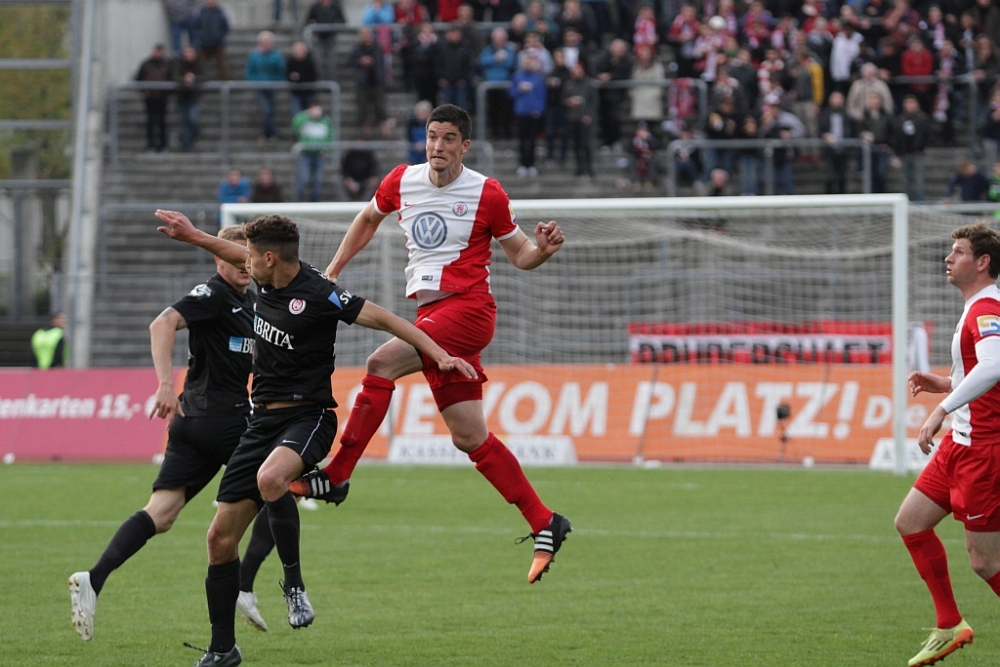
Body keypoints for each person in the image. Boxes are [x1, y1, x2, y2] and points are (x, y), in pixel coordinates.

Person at [153, 209, 476, 666]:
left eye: (250, 255)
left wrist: (438, 354)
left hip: (308, 418)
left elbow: (388, 320)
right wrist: (193, 236)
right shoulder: (263, 274)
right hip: (260, 423)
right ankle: (222, 649)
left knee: (271, 479)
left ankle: (294, 586)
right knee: (219, 540)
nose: (244, 262)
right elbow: (227, 249)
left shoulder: (321, 293)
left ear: (269, 257)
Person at [289, 104, 573, 585]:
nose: (438, 146)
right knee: (469, 437)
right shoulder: (402, 180)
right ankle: (545, 521)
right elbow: (367, 219)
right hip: (431, 316)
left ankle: (337, 474)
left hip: (468, 311)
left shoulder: (487, 192)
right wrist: (333, 269)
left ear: (465, 146)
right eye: (432, 137)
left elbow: (521, 254)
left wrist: (542, 250)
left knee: (381, 362)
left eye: (448, 139)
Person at [68, 225, 268, 640]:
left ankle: (93, 579)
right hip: (222, 419)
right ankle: (244, 585)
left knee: (161, 514)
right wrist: (163, 384)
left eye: (247, 256)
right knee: (281, 485)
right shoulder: (213, 294)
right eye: (234, 256)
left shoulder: (249, 302)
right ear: (218, 257)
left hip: (194, 422)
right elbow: (162, 322)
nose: (243, 264)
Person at [896, 220, 1000, 667]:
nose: (948, 257)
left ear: (982, 262)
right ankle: (949, 624)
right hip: (960, 444)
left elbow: (994, 366)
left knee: (984, 562)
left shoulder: (986, 308)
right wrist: (945, 385)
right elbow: (981, 373)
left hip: (983, 450)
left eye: (958, 251)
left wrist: (940, 409)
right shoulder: (976, 308)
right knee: (910, 522)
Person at [509, 53, 547, 178]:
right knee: (522, 140)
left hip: (533, 113)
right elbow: (511, 93)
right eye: (526, 61)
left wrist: (539, 110)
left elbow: (542, 96)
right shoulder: (517, 76)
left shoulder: (539, 78)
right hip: (521, 112)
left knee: (532, 140)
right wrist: (519, 90)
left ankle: (531, 164)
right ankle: (522, 164)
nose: (528, 64)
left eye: (530, 61)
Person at [245, 31, 286, 142]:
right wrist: (253, 81)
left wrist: (276, 81)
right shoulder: (254, 55)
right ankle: (272, 132)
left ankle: (267, 133)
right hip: (259, 86)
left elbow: (280, 70)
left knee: (270, 110)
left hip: (272, 86)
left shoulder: (276, 55)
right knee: (266, 110)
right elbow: (250, 70)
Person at [352, 27, 391, 138]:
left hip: (376, 80)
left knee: (380, 105)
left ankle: (384, 126)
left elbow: (381, 63)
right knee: (363, 106)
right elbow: (351, 61)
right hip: (363, 81)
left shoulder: (377, 48)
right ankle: (366, 129)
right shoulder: (357, 49)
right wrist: (361, 61)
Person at [892, 94, 931, 202]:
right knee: (905, 179)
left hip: (917, 154)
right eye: (907, 103)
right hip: (904, 153)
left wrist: (921, 148)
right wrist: (897, 152)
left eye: (912, 103)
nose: (910, 105)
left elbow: (927, 135)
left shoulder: (922, 118)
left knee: (918, 179)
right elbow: (897, 136)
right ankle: (907, 201)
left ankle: (919, 201)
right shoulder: (900, 119)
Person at [292, 100, 333, 202]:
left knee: (318, 181)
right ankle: (298, 202)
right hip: (305, 154)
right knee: (303, 179)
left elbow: (330, 136)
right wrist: (306, 115)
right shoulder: (303, 119)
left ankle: (315, 202)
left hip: (319, 155)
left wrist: (327, 150)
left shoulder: (326, 121)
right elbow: (294, 125)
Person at [563, 61, 597, 178]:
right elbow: (563, 99)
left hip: (585, 118)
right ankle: (579, 167)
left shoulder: (589, 85)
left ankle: (589, 167)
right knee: (576, 145)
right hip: (573, 118)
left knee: (586, 144)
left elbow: (594, 101)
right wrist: (569, 102)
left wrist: (589, 115)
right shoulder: (568, 85)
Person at [818, 91, 856, 194]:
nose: (837, 101)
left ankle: (842, 197)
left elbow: (852, 131)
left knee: (842, 177)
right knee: (829, 177)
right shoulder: (825, 114)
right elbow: (819, 130)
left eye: (839, 99)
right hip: (829, 150)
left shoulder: (847, 115)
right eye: (835, 98)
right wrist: (825, 135)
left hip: (843, 150)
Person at [136, 44, 171, 153]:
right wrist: (144, 91)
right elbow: (138, 78)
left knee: (162, 122)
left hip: (162, 97)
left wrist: (167, 92)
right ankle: (151, 145)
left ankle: (163, 145)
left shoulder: (167, 64)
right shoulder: (146, 64)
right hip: (150, 97)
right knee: (150, 122)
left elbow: (171, 78)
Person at [304, 0, 346, 81]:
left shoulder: (335, 7)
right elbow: (308, 21)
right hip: (319, 38)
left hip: (331, 38)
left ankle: (332, 81)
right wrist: (315, 28)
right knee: (318, 62)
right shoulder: (315, 7)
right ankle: (320, 82)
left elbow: (342, 20)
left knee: (331, 63)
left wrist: (336, 28)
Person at [172, 45, 203, 151]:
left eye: (191, 52)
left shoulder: (198, 64)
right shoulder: (178, 64)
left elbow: (204, 76)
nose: (189, 55)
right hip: (182, 97)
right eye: (187, 52)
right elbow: (175, 76)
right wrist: (184, 80)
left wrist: (194, 78)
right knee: (184, 121)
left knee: (193, 119)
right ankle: (186, 145)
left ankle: (192, 137)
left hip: (194, 97)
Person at [196, 0, 230, 80]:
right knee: (201, 64)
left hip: (218, 44)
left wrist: (219, 37)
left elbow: (226, 28)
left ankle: (226, 82)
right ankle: (201, 80)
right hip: (204, 44)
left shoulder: (221, 12)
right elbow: (196, 26)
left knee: (222, 65)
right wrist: (201, 36)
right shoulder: (201, 12)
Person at [286, 40, 318, 117]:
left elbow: (313, 76)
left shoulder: (309, 62)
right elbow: (287, 75)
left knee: (310, 115)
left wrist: (300, 77)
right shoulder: (291, 62)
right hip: (296, 92)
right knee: (297, 115)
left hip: (309, 92)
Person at [405, 99, 432, 165]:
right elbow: (409, 137)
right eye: (421, 112)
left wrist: (425, 144)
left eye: (424, 112)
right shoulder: (411, 124)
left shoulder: (432, 124)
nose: (422, 115)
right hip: (414, 153)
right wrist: (416, 145)